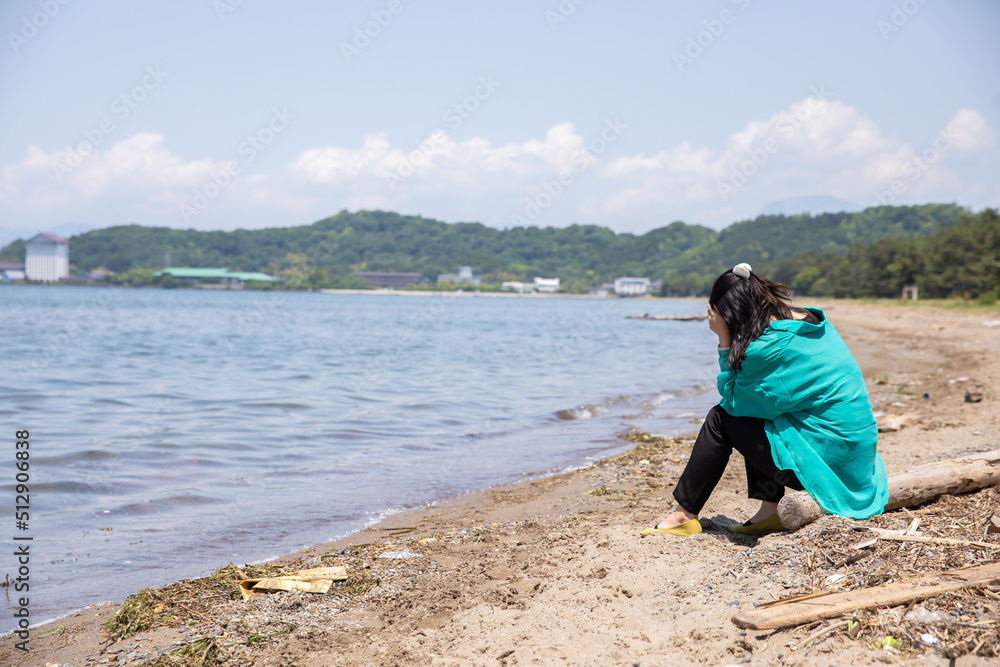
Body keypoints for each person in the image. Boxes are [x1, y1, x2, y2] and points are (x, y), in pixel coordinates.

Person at [642, 263, 888, 537]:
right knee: (758, 410)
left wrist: (724, 341)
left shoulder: (767, 347)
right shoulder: (806, 320)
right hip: (855, 458)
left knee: (720, 419)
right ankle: (769, 510)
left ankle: (682, 515)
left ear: (733, 313)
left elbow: (732, 400)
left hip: (831, 468)